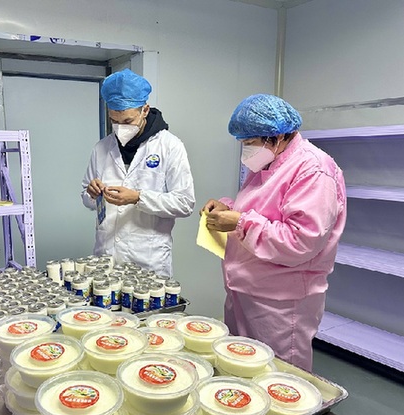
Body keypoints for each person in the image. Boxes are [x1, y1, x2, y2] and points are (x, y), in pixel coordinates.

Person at [202, 93, 346, 371]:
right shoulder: (270, 161)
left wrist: (240, 223)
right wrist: (227, 208)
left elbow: (301, 241)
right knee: (241, 369)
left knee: (278, 376)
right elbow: (263, 209)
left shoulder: (313, 169)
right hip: (246, 289)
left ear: (277, 136)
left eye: (250, 142)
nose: (246, 150)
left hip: (281, 303)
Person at [81, 69, 195, 277]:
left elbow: (185, 203)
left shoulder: (169, 146)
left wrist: (138, 198)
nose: (119, 128)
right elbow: (87, 200)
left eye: (127, 121)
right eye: (114, 121)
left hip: (148, 260)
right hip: (106, 258)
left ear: (145, 110)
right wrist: (92, 193)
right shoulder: (101, 148)